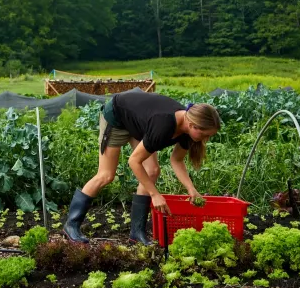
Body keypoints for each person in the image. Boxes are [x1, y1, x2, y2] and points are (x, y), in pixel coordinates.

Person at [63, 91, 221, 245]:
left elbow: (177, 160)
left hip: (138, 123)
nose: (205, 140)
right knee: (106, 175)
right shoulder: (164, 125)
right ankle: (71, 225)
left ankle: (137, 233)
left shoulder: (187, 131)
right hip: (118, 116)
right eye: (205, 135)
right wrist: (155, 194)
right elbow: (134, 162)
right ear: (192, 125)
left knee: (152, 171)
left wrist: (191, 189)